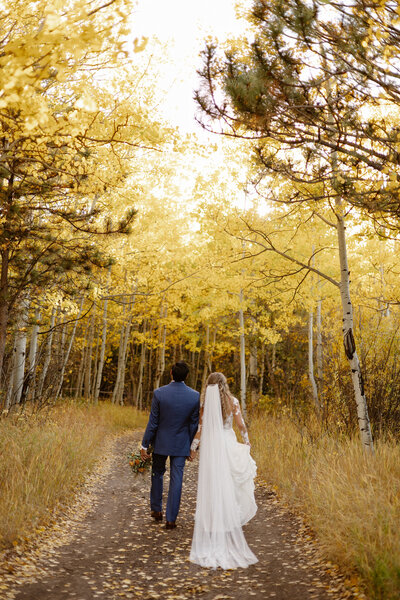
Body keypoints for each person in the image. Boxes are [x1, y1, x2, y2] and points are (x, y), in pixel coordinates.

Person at [189, 372, 257, 569]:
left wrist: (193, 448)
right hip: (227, 443)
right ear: (224, 385)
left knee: (213, 482)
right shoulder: (233, 402)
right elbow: (241, 425)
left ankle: (213, 518)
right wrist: (247, 442)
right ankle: (229, 517)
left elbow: (200, 429)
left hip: (211, 447)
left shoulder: (205, 405)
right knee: (232, 482)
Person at [141, 361, 200, 530]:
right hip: (181, 444)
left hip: (161, 442)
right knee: (177, 479)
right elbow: (193, 425)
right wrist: (192, 447)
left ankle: (156, 509)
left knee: (157, 473)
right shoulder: (194, 396)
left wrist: (145, 444)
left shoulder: (159, 393)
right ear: (187, 376)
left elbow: (153, 422)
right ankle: (171, 519)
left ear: (171, 373)